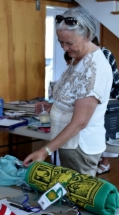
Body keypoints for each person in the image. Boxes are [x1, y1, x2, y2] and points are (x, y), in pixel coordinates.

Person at [23, 6, 113, 177]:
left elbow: (80, 122)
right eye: (60, 42)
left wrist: (44, 151)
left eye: (69, 43)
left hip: (79, 147)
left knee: (77, 197)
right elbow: (73, 100)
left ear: (87, 35)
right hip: (69, 144)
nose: (64, 48)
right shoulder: (79, 59)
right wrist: (53, 107)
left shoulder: (93, 69)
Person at [91, 36, 119, 174]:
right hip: (100, 97)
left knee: (107, 132)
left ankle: (105, 163)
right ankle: (98, 161)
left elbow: (104, 79)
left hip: (111, 97)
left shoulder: (104, 54)